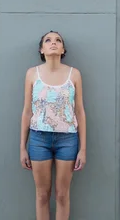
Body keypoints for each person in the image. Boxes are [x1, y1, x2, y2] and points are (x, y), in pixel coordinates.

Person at [20, 30, 87, 220]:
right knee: (42, 195)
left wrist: (83, 149)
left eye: (58, 40)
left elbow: (80, 111)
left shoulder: (74, 75)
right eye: (48, 40)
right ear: (42, 49)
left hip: (68, 139)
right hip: (38, 139)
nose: (53, 43)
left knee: (62, 194)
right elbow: (27, 111)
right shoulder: (32, 74)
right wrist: (22, 148)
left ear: (63, 49)